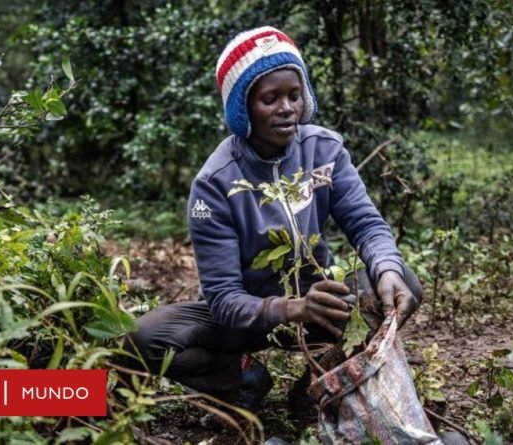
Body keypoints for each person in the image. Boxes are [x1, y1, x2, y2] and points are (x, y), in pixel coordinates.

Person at [121, 25, 423, 417]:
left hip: (320, 306)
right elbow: (224, 298)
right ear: (242, 107)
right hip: (242, 319)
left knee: (402, 281)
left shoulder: (324, 150)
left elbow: (366, 224)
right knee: (141, 337)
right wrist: (293, 308)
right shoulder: (215, 182)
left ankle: (317, 389)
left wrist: (384, 268)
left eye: (294, 96)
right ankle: (243, 379)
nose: (286, 108)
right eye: (270, 98)